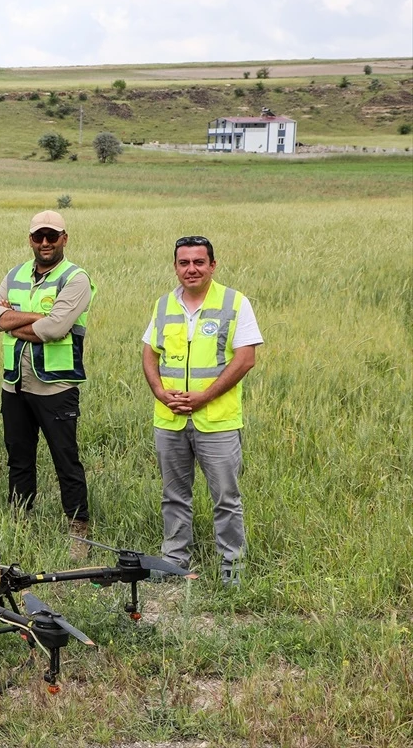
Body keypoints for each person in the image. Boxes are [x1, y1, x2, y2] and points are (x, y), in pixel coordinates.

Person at [142, 236, 261, 586]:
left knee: (226, 497)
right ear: (175, 266)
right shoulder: (164, 305)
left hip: (217, 422)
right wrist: (160, 392)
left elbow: (246, 358)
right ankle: (174, 561)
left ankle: (232, 569)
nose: (191, 269)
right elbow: (150, 353)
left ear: (212, 265)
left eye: (198, 262)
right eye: (183, 263)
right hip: (171, 419)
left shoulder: (235, 302)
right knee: (174, 495)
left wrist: (204, 397)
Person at [0, 210, 95, 559]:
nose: (45, 243)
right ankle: (20, 521)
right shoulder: (16, 274)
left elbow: (56, 328)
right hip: (14, 383)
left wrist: (13, 322)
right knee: (18, 457)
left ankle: (78, 530)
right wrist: (37, 318)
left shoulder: (76, 279)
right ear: (31, 239)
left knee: (65, 459)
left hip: (56, 386)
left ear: (64, 238)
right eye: (38, 237)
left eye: (52, 236)